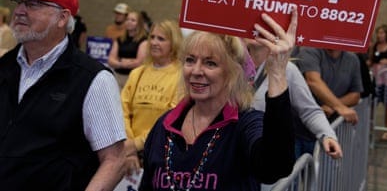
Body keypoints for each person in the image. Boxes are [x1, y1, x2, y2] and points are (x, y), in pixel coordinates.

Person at [139, 10, 298, 190]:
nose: (196, 71)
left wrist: (277, 73)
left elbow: (274, 168)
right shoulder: (165, 125)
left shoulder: (245, 124)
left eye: (210, 63)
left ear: (233, 72)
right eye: (190, 60)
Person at [0, 0, 126, 190]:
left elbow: (115, 161)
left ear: (62, 18)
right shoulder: (4, 67)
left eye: (34, 4)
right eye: (19, 2)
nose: (19, 10)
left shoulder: (93, 79)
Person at [246, 38, 342, 159]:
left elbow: (309, 110)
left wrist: (327, 135)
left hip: (262, 155)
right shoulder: (228, 65)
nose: (256, 31)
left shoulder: (287, 70)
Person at [121, 19, 183, 175]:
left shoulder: (182, 76)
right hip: (129, 155)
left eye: (161, 39)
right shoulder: (137, 73)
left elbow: (172, 119)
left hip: (162, 155)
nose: (154, 42)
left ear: (174, 43)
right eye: (152, 37)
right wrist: (129, 148)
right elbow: (123, 110)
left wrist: (135, 145)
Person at [298, 47, 363, 125]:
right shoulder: (310, 51)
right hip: (304, 121)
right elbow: (313, 81)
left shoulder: (352, 59)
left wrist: (333, 106)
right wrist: (339, 107)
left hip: (332, 123)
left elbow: (355, 95)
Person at [107, 10, 148, 88]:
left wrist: (120, 61)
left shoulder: (143, 40)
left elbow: (140, 62)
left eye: (133, 20)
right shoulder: (119, 39)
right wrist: (121, 64)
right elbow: (110, 60)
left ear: (139, 23)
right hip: (118, 76)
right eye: (127, 19)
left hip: (134, 78)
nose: (129, 22)